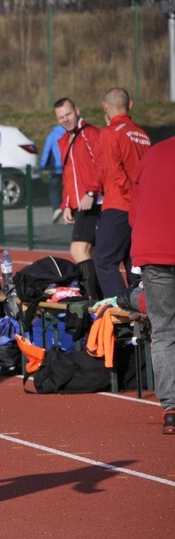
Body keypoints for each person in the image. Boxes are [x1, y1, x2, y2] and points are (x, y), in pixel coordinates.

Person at [129, 136, 175, 435]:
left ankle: (171, 409)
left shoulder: (153, 153)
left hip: (152, 250)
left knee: (164, 331)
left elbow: (134, 211)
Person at [96, 87, 150, 298]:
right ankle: (141, 306)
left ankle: (120, 307)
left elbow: (114, 172)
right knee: (132, 264)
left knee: (104, 260)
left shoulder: (109, 133)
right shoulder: (143, 135)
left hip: (119, 204)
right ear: (130, 105)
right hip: (141, 208)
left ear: (105, 106)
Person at [53, 97, 103, 301]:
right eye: (61, 117)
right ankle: (102, 298)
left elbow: (101, 164)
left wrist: (91, 192)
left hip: (95, 202)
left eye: (68, 114)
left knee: (78, 250)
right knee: (92, 253)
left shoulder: (90, 134)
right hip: (79, 205)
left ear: (77, 110)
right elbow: (68, 175)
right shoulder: (64, 141)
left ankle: (94, 300)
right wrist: (66, 204)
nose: (65, 119)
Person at [40, 123, 66, 222]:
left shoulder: (52, 135)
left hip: (55, 167)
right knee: (67, 189)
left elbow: (46, 151)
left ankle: (57, 208)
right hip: (68, 167)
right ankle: (69, 210)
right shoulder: (71, 133)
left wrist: (43, 166)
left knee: (54, 189)